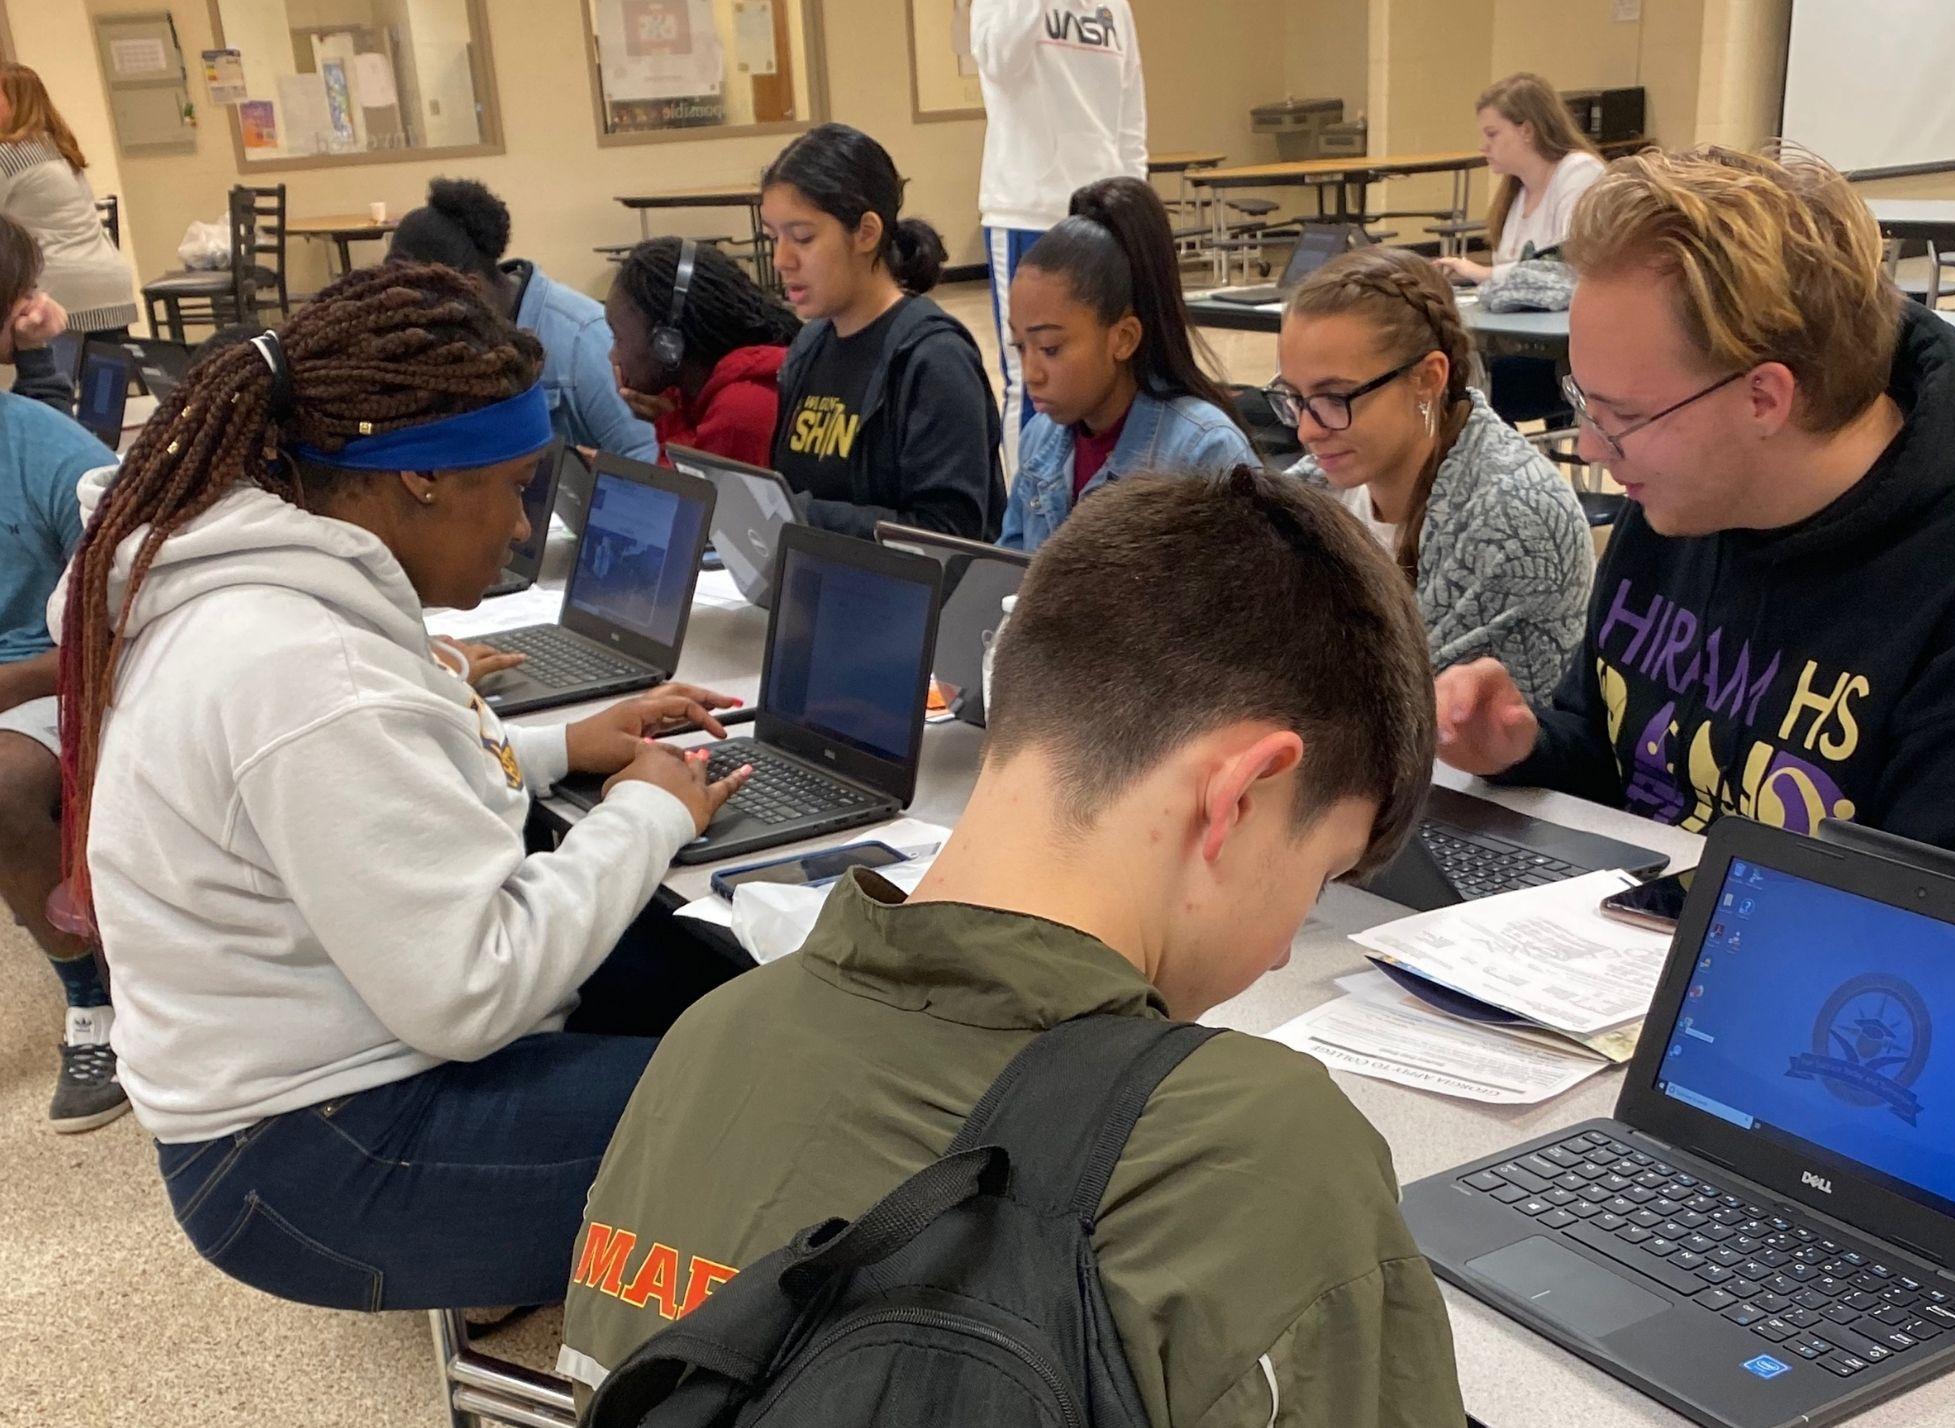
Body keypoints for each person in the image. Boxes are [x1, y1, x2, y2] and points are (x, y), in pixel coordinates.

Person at [563, 469, 1465, 1426]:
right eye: (1319, 876)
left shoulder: (709, 1039)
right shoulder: (1262, 1157)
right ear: (1240, 797)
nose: (1285, 954)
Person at [53, 263, 755, 1310]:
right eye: (514, 487)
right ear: (421, 475)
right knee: (769, 1113)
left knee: (690, 978)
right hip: (312, 1163)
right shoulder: (306, 667)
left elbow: (366, 806)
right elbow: (474, 989)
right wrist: (649, 810)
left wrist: (561, 749)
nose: (522, 529)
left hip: (302, 1089)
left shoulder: (258, 594)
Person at [1436, 146, 1955, 862]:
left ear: (1764, 397)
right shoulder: (1683, 491)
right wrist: (1522, 747)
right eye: (1584, 402)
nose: (1593, 447)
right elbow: (1617, 763)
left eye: (1622, 415)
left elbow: (1926, 915)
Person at [1269, 245, 1591, 700]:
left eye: (1334, 398)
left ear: (1427, 379)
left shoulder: (1515, 522)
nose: (1306, 430)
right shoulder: (1310, 495)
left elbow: (1406, 716)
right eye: (1294, 398)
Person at [0, 214, 122, 1132]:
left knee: (2, 783)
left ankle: (92, 1003)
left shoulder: (50, 452)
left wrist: (12, 687)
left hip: (39, 681)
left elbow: (128, 622)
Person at [764, 123, 1005, 539]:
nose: (781, 260)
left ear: (866, 233)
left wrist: (799, 517)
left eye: (802, 238)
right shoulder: (809, 345)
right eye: (773, 238)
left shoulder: (934, 361)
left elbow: (947, 534)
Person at [999, 177, 1254, 551]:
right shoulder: (1040, 438)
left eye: (1050, 348)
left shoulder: (1202, 452)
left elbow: (1252, 585)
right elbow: (1004, 568)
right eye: (1020, 346)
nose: (1031, 374)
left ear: (1123, 338)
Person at [970, 0, 1145, 468]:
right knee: (1033, 376)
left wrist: (1133, 201)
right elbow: (1000, 61)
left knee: (1117, 368)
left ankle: (1111, 493)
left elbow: (1129, 116)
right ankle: (1028, 507)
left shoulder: (1115, 7)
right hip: (1027, 208)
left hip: (1105, 210)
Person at [387, 177, 655, 462]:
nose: (419, 320)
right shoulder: (454, 337)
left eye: (424, 305)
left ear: (471, 287)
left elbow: (644, 458)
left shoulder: (584, 339)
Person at [604, 236, 800, 467]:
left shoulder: (741, 408)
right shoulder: (691, 396)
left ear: (667, 342)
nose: (613, 356)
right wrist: (671, 417)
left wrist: (671, 424)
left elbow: (685, 488)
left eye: (618, 338)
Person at [0, 63, 137, 340]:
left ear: (19, 103)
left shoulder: (9, 155)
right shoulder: (59, 148)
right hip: (110, 286)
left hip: (58, 294)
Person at [1433, 73, 1604, 286]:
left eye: (1492, 134)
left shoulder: (1579, 171)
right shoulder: (1518, 190)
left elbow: (1570, 265)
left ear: (1527, 131)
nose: (1482, 146)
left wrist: (1483, 273)